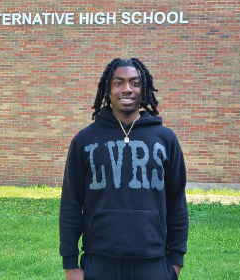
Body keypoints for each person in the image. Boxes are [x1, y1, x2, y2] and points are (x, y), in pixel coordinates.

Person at [59, 58, 189, 280]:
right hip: (99, 260)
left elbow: (176, 201)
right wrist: (70, 265)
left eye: (135, 83)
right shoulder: (85, 140)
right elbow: (71, 205)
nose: (127, 89)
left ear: (143, 88)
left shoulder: (165, 139)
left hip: (154, 262)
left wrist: (175, 260)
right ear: (108, 89)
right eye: (118, 83)